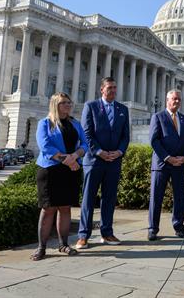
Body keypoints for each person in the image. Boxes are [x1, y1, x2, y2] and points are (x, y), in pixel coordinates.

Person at [32, 92, 88, 260]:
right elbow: (45, 146)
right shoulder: (45, 123)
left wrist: (75, 156)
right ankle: (41, 247)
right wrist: (68, 160)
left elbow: (85, 144)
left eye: (69, 103)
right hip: (50, 170)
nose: (68, 106)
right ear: (55, 105)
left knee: (65, 208)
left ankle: (63, 245)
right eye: (64, 103)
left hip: (70, 171)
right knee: (48, 209)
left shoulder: (75, 123)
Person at [76, 77, 130, 249]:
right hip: (94, 161)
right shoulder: (90, 106)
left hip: (114, 161)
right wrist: (99, 152)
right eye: (109, 88)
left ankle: (107, 233)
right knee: (88, 199)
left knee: (109, 198)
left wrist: (119, 152)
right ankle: (83, 235)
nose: (113, 90)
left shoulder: (123, 109)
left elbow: (125, 136)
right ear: (102, 89)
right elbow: (86, 133)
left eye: (115, 87)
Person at [148, 89, 184, 240]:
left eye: (179, 99)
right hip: (162, 164)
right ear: (167, 100)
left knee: (180, 197)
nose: (177, 102)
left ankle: (179, 227)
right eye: (174, 99)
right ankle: (153, 229)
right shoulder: (158, 117)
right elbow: (154, 141)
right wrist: (168, 158)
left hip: (180, 164)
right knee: (156, 197)